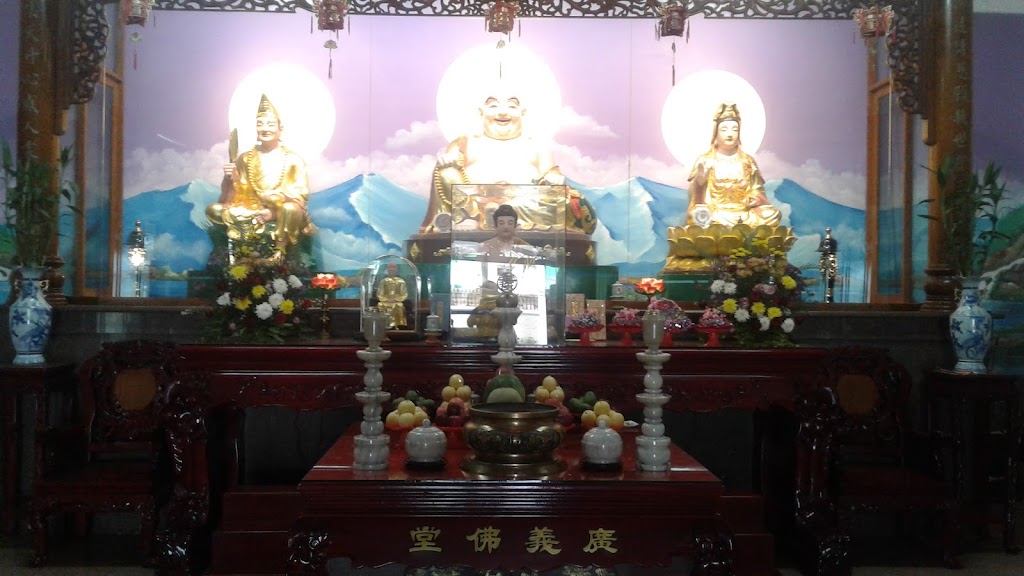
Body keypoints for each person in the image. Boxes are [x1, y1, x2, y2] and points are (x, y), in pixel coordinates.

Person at [419, 85, 596, 236]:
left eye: (511, 106)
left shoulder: (536, 145)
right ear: (481, 112)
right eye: (493, 106)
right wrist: (447, 161)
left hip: (523, 202)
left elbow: (549, 175)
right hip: (475, 203)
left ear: (522, 112)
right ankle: (475, 217)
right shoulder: (465, 143)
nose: (502, 112)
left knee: (564, 199)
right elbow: (447, 174)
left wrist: (552, 178)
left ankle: (492, 217)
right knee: (447, 173)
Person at [207, 94, 314, 256]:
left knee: (290, 209)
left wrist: (274, 207)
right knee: (213, 210)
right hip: (250, 208)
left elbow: (300, 195)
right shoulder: (245, 158)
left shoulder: (293, 160)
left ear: (280, 129)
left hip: (279, 209)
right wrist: (231, 179)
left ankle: (278, 252)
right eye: (260, 124)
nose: (265, 128)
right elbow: (237, 195)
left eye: (270, 124)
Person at [687, 102, 781, 228]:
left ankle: (731, 229)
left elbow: (757, 189)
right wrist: (699, 183)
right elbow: (696, 200)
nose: (730, 134)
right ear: (716, 132)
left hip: (744, 214)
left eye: (735, 129)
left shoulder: (747, 161)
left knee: (773, 215)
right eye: (724, 129)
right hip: (716, 213)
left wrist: (756, 199)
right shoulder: (706, 160)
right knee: (697, 215)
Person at [375, 262, 409, 329]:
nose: (391, 269)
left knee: (399, 305)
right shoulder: (383, 281)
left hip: (396, 301)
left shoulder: (401, 281)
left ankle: (398, 325)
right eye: (389, 267)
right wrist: (386, 299)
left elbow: (404, 294)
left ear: (396, 269)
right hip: (385, 301)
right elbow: (379, 294)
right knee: (380, 305)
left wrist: (396, 299)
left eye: (393, 267)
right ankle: (382, 325)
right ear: (387, 269)